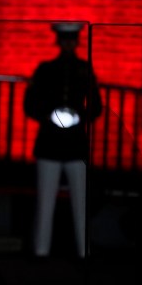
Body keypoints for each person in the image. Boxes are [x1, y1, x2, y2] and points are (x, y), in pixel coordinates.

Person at [23, 22, 103, 259]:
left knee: (81, 202)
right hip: (50, 141)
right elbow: (31, 104)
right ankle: (41, 250)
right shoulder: (45, 69)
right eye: (65, 40)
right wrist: (48, 116)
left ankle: (83, 251)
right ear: (59, 41)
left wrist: (80, 117)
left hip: (75, 143)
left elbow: (96, 105)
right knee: (45, 202)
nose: (68, 44)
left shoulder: (84, 69)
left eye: (71, 40)